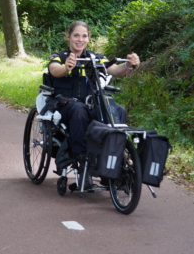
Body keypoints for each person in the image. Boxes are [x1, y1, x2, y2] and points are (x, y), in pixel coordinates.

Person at [47, 21, 140, 188]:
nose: (80, 39)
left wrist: (128, 64)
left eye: (84, 36)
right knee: (78, 110)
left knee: (117, 109)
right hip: (67, 105)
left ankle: (112, 162)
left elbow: (113, 70)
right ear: (68, 36)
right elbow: (54, 70)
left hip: (91, 105)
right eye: (76, 35)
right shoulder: (59, 56)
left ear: (89, 38)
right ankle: (83, 165)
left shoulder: (96, 57)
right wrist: (67, 67)